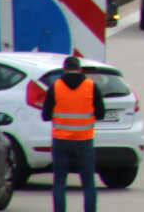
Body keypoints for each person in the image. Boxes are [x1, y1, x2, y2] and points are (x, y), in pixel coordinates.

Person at [42, 55, 105, 212]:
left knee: (59, 182)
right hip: (84, 140)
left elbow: (45, 115)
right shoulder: (91, 86)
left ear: (64, 70)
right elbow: (101, 113)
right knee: (88, 183)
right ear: (80, 69)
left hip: (61, 140)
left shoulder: (55, 87)